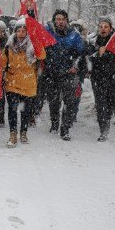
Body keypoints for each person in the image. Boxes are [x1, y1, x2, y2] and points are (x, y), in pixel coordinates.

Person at [1, 17, 46, 147]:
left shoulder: (33, 44)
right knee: (12, 110)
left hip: (28, 83)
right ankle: (13, 134)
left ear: (27, 32)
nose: (21, 33)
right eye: (18, 30)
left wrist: (37, 43)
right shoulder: (8, 46)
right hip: (12, 82)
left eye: (23, 31)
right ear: (15, 32)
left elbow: (42, 56)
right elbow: (2, 62)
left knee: (25, 111)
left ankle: (23, 132)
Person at [41, 9, 85, 141]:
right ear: (54, 20)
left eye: (63, 19)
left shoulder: (74, 35)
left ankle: (65, 129)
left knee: (69, 102)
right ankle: (54, 123)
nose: (60, 22)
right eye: (58, 19)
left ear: (66, 21)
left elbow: (81, 53)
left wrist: (75, 66)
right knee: (54, 101)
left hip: (69, 73)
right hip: (51, 73)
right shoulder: (48, 32)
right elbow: (38, 44)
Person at [89, 18, 115, 141]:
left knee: (112, 103)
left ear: (111, 28)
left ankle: (111, 119)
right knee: (100, 104)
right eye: (101, 26)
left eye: (106, 26)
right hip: (98, 78)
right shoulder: (93, 42)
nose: (103, 29)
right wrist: (97, 53)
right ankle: (104, 130)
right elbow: (88, 57)